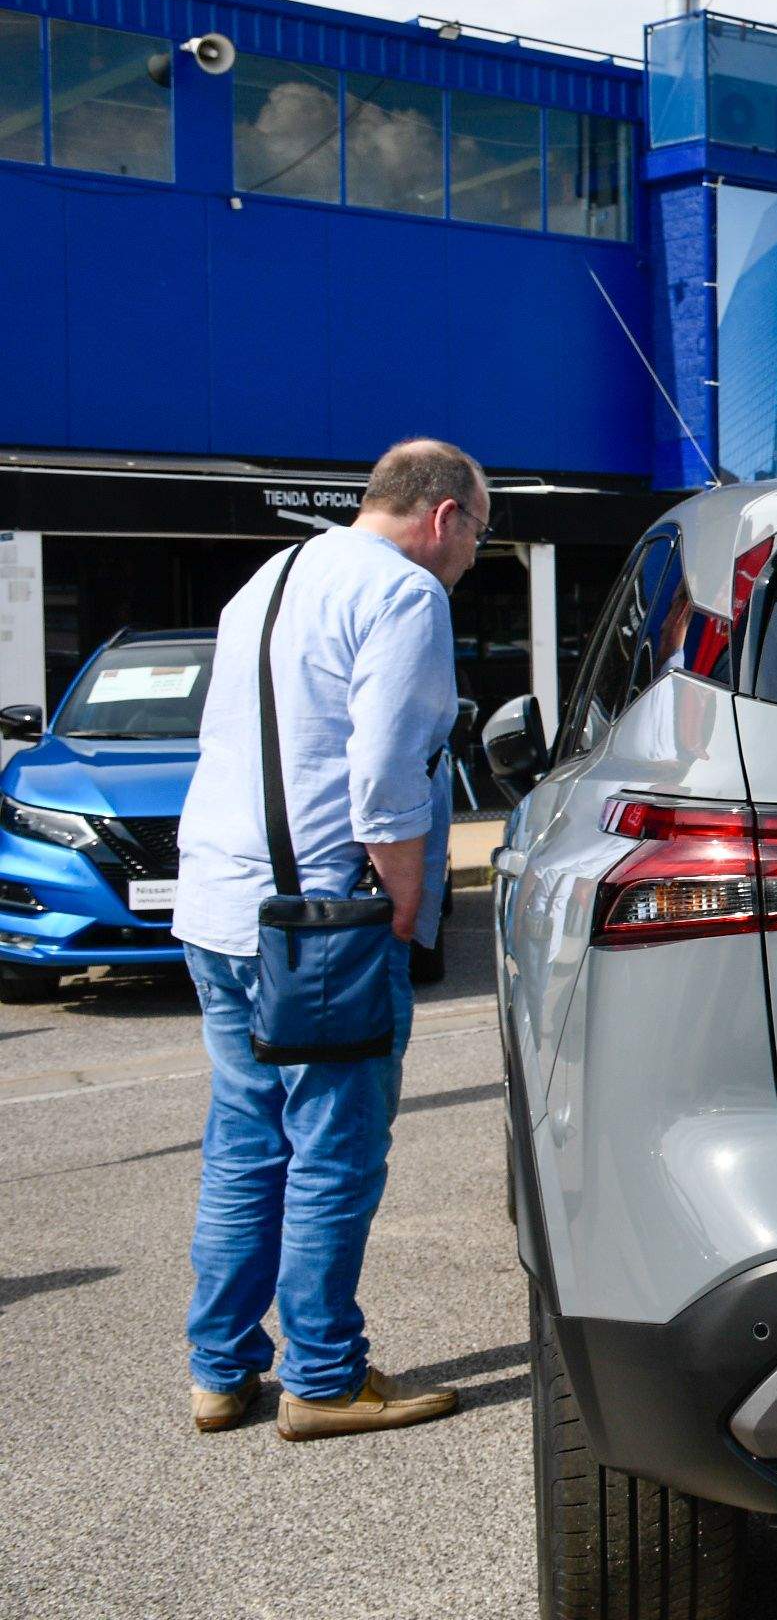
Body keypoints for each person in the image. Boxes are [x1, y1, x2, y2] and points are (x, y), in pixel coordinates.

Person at [173, 439, 486, 1440]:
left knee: (244, 1139)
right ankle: (323, 1375)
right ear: (442, 516)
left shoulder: (269, 576)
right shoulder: (404, 594)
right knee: (334, 1152)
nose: (476, 555)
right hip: (318, 917)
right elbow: (387, 773)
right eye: (481, 532)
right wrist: (400, 909)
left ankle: (221, 1371)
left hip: (218, 907)